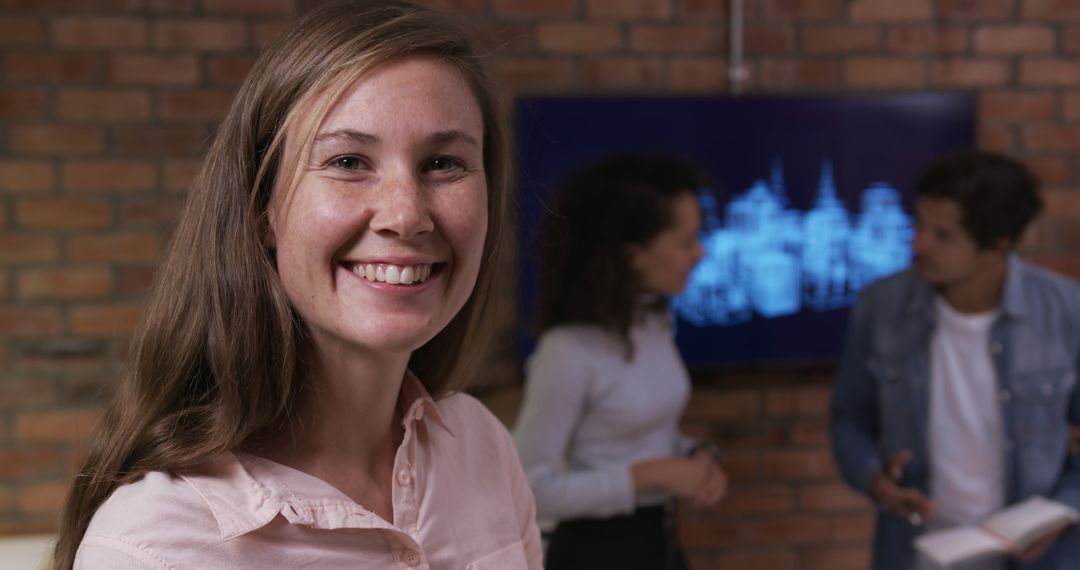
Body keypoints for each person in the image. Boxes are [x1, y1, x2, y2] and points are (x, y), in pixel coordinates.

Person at [52, 2, 542, 568]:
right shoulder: (154, 548)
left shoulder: (481, 445)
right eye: (349, 161)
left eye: (443, 164)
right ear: (263, 209)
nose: (406, 215)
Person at [830, 149, 1080, 570]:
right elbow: (848, 417)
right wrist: (876, 479)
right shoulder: (882, 305)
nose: (919, 244)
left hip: (1039, 558)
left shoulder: (1065, 310)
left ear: (996, 247)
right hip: (918, 551)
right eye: (920, 225)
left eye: (943, 235)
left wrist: (1063, 511)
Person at [512, 153, 728, 569]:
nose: (700, 254)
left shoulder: (654, 322)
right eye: (686, 241)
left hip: (661, 543)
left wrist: (697, 454)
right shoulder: (567, 352)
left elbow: (638, 433)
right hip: (597, 552)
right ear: (633, 256)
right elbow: (527, 489)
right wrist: (651, 476)